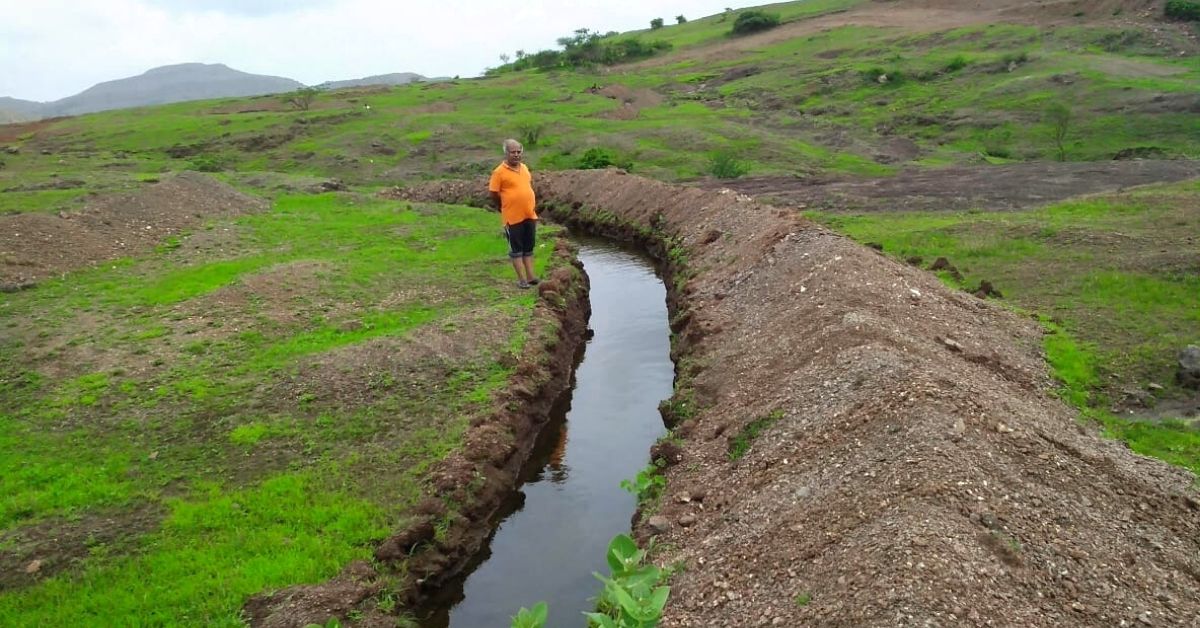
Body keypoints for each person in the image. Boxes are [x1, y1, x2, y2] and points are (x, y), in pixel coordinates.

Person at [488, 139, 539, 289]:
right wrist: (503, 206)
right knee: (516, 250)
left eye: (518, 152)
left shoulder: (524, 168)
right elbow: (493, 193)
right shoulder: (499, 172)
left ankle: (531, 277)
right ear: (506, 153)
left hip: (529, 214)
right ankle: (522, 280)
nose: (516, 155)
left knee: (528, 248)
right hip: (512, 217)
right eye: (513, 152)